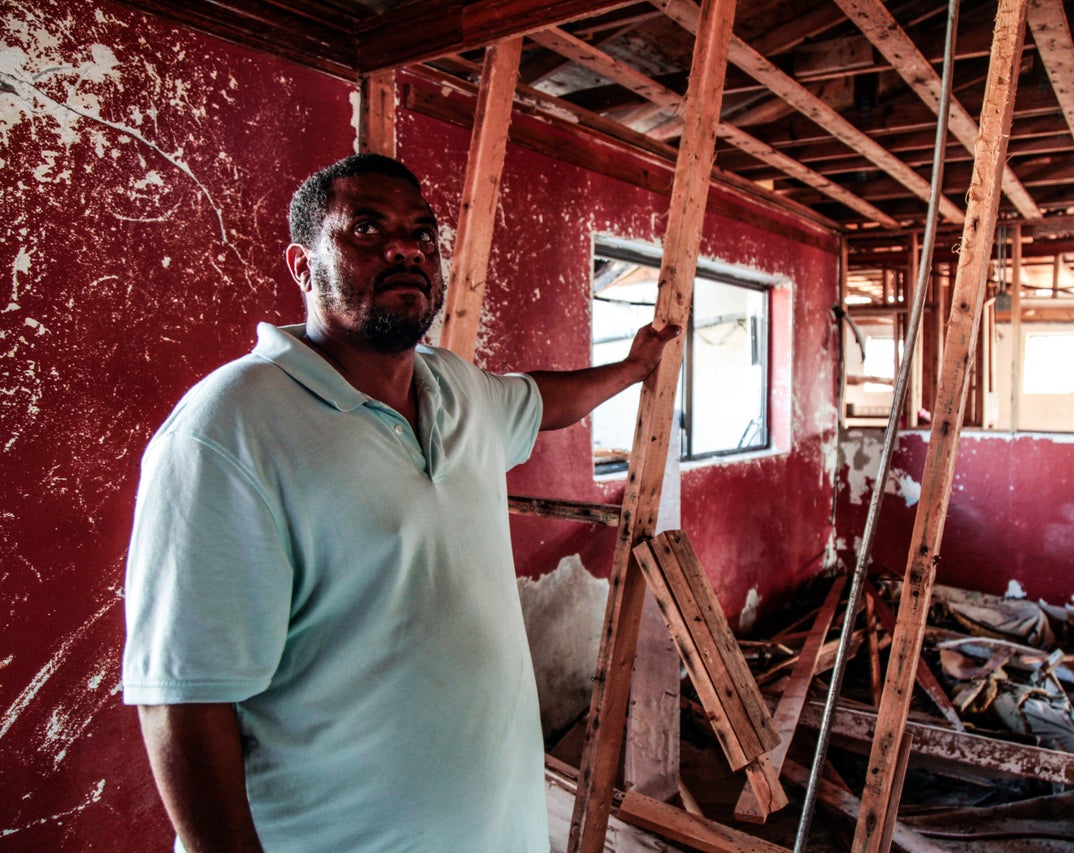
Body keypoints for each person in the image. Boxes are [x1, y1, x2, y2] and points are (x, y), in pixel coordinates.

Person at [122, 153, 678, 852]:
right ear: (302, 264)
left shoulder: (459, 392)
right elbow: (184, 696)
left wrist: (632, 369)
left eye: (422, 233)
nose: (405, 248)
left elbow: (545, 399)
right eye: (365, 228)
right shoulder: (229, 431)